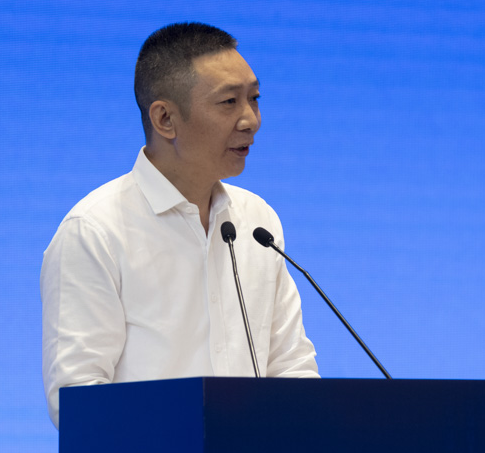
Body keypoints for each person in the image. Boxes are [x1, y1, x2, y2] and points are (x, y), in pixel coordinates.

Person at [41, 22, 318, 429]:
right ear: (165, 118)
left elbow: (292, 368)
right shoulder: (95, 231)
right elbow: (78, 400)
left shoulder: (257, 221)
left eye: (254, 99)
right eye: (229, 102)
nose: (251, 120)